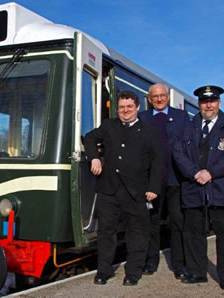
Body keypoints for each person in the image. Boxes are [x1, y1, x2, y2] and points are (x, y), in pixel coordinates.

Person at [84, 91, 164, 286]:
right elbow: (89, 138)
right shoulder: (108, 125)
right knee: (106, 233)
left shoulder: (150, 131)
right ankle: (103, 271)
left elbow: (158, 162)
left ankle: (133, 273)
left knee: (137, 233)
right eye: (121, 107)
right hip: (108, 189)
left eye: (129, 107)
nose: (125, 110)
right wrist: (94, 157)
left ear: (137, 108)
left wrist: (154, 187)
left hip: (137, 191)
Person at [173, 85, 224, 291]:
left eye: (212, 101)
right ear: (199, 104)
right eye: (205, 102)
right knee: (193, 233)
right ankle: (197, 273)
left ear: (219, 103)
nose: (208, 105)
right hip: (193, 188)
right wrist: (195, 173)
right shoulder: (187, 127)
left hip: (220, 190)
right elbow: (178, 154)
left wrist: (210, 173)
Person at [138, 83, 190, 279]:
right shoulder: (142, 118)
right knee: (151, 223)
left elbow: (188, 146)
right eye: (155, 97)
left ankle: (179, 264)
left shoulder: (181, 117)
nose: (159, 99)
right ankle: (151, 261)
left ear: (167, 97)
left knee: (178, 222)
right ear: (149, 99)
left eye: (162, 96)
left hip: (175, 179)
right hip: (151, 182)